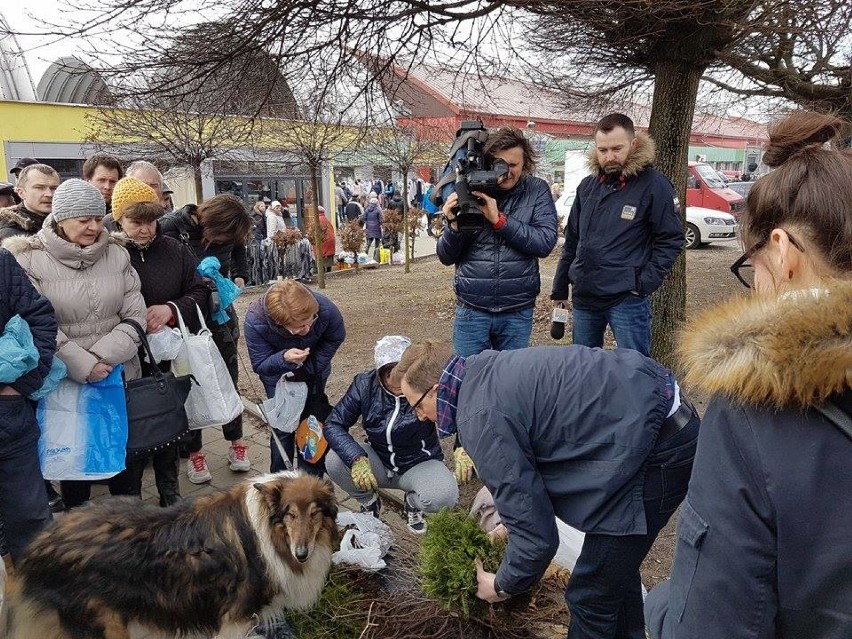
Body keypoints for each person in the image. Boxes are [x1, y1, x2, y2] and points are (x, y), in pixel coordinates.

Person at [644, 111, 852, 639]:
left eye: (750, 267)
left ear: (781, 252)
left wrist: (660, 611)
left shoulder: (757, 410)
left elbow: (711, 621)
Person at [396, 341, 699, 639]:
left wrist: (502, 584)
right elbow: (533, 475)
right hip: (644, 418)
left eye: (416, 406)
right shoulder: (481, 372)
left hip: (658, 449)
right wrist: (509, 526)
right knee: (613, 575)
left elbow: (538, 539)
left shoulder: (479, 419)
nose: (419, 416)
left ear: (436, 390)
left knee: (590, 596)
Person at [3, 179, 147, 509]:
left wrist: (102, 359)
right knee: (73, 462)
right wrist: (83, 365)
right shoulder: (28, 260)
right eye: (84, 220)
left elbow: (135, 311)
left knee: (124, 458)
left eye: (98, 218)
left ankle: (131, 535)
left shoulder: (117, 254)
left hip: (117, 370)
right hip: (63, 377)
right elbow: (32, 324)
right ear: (61, 218)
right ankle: (82, 538)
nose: (94, 227)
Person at [110, 177, 210, 507]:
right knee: (131, 436)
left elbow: (198, 293)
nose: (145, 230)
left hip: (166, 358)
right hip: (122, 360)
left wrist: (170, 309)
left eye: (151, 221)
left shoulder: (174, 249)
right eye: (136, 222)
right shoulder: (107, 254)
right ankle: (131, 505)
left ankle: (171, 497)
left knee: (167, 425)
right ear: (118, 219)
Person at [550, 113, 683, 357]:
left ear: (633, 145)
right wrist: (560, 288)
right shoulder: (587, 187)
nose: (609, 157)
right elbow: (572, 241)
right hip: (586, 296)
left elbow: (671, 239)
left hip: (626, 299)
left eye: (616, 148)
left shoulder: (655, 186)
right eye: (603, 150)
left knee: (635, 369)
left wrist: (642, 284)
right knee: (584, 368)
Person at [437, 127, 558, 356]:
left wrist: (499, 220)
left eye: (513, 165)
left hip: (517, 310)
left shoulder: (536, 190)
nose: (506, 172)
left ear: (526, 165)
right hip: (472, 309)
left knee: (510, 384)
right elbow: (446, 256)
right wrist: (453, 226)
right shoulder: (469, 188)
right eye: (499, 164)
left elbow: (544, 242)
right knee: (468, 380)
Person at [159, 194, 253, 483]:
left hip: (220, 313)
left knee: (228, 379)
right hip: (186, 318)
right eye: (222, 236)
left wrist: (239, 276)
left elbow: (239, 251)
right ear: (209, 221)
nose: (225, 242)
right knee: (191, 385)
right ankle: (195, 454)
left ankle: (236, 443)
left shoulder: (231, 234)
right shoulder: (172, 228)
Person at [324, 336, 458, 535]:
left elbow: (461, 413)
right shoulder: (364, 385)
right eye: (387, 372)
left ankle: (413, 503)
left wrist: (462, 447)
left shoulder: (425, 389)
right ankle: (368, 501)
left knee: (444, 496)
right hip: (378, 460)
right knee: (334, 460)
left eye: (400, 372)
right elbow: (333, 424)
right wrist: (357, 458)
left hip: (418, 463)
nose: (393, 379)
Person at [244, 280, 345, 476]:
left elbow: (335, 336)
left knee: (312, 423)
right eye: (299, 327)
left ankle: (311, 478)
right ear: (279, 323)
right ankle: (280, 480)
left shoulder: (324, 307)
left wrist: (311, 367)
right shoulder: (255, 320)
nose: (307, 329)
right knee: (283, 428)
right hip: (279, 382)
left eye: (311, 320)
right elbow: (260, 364)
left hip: (315, 374)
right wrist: (284, 359)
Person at [0, 248, 56, 563]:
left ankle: (45, 603)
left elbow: (40, 318)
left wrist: (20, 385)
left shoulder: (2, 262)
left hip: (8, 419)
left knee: (31, 519)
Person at [0, 164, 60, 242]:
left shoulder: (69, 224)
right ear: (21, 193)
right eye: (39, 188)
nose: (49, 194)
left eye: (54, 188)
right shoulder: (9, 235)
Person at [83, 153, 123, 219]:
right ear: (88, 180)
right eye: (102, 180)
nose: (107, 187)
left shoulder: (124, 215)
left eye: (112, 181)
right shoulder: (74, 212)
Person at [316, 206, 336, 272]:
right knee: (328, 261)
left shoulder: (317, 220)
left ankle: (322, 274)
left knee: (321, 260)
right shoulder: (326, 220)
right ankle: (329, 272)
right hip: (330, 242)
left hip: (323, 242)